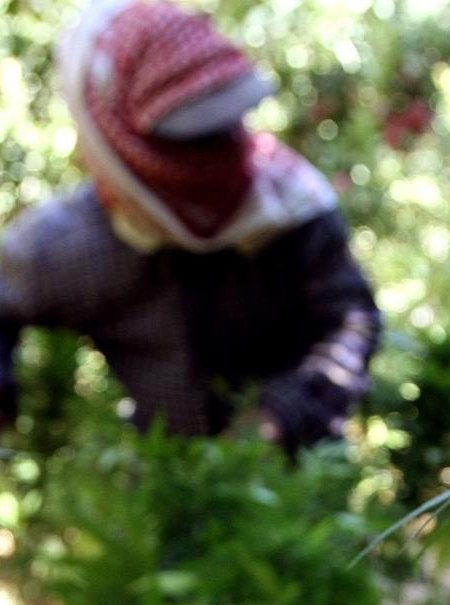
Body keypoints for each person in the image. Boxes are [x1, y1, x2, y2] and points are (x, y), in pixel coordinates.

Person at [0, 0, 381, 454]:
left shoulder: (292, 211)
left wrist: (279, 417)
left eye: (224, 126)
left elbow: (350, 321)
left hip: (298, 487)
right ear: (116, 136)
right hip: (155, 488)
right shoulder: (69, 248)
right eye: (191, 138)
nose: (215, 156)